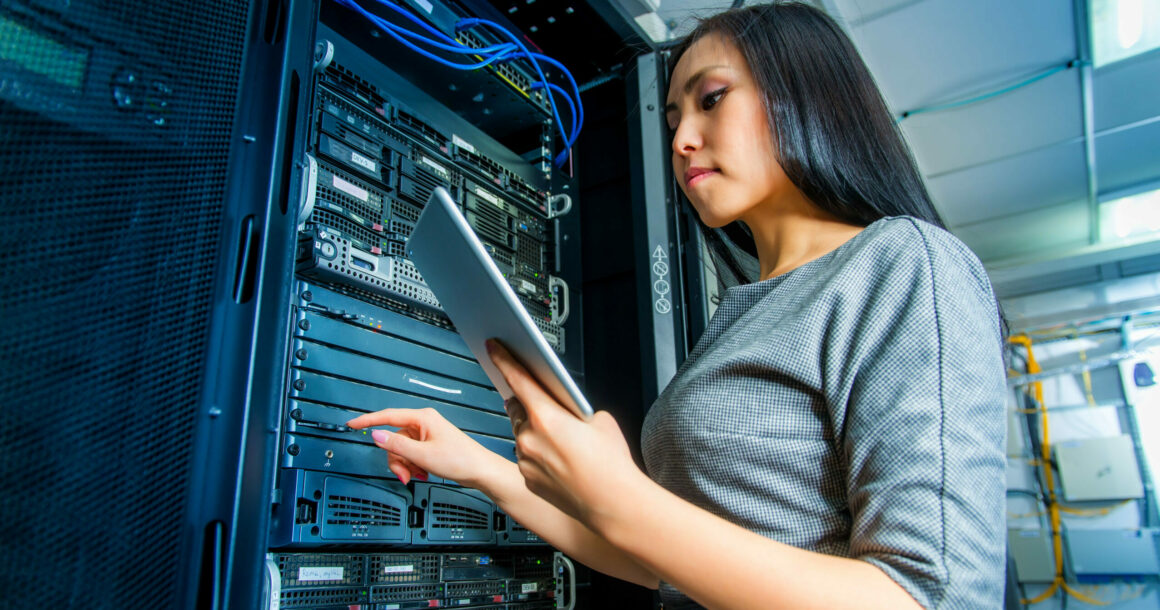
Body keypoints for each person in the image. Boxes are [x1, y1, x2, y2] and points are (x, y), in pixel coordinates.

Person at [348, 3, 1007, 608]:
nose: (683, 140)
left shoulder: (904, 263)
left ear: (807, 96)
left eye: (711, 100)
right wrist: (480, 468)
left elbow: (933, 597)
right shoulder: (744, 315)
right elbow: (662, 560)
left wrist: (621, 497)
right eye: (671, 122)